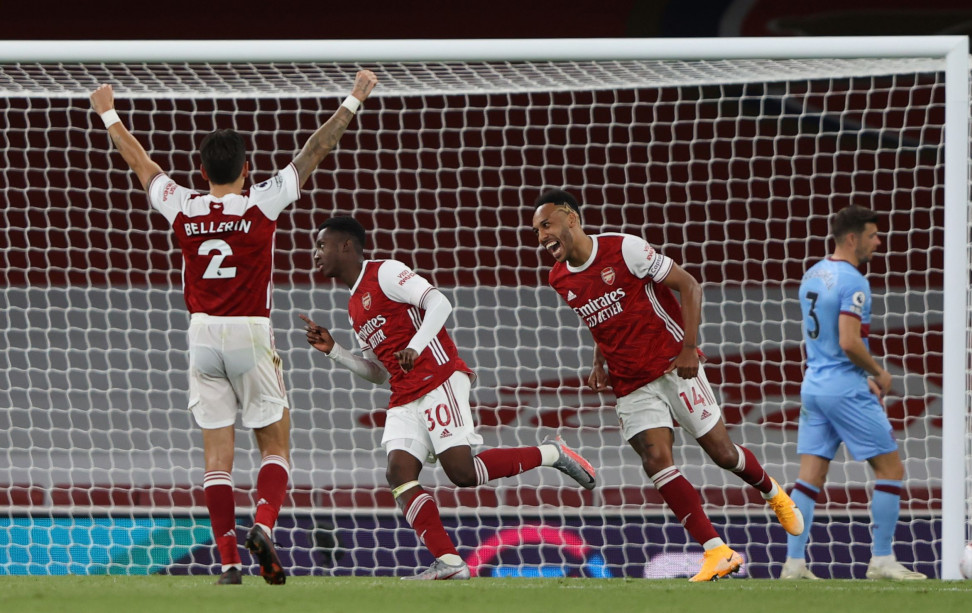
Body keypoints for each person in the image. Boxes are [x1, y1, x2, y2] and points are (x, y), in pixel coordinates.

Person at [89, 70, 379, 585]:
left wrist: (108, 111)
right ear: (248, 169)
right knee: (276, 446)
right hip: (249, 331)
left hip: (201, 335)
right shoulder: (261, 201)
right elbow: (313, 151)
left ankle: (227, 563)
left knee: (216, 458)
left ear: (201, 171)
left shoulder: (182, 204)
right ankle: (263, 524)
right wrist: (354, 99)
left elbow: (140, 161)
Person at [300, 215, 597, 581]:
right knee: (398, 472)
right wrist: (335, 351)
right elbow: (379, 372)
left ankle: (552, 453)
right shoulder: (353, 307)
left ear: (345, 246)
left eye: (320, 245)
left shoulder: (387, 273)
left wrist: (415, 345)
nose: (315, 253)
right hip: (403, 393)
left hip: (438, 377)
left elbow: (440, 303)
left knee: (461, 472)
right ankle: (450, 562)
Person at [530, 189, 804, 582]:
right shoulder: (558, 278)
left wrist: (689, 348)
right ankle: (717, 551)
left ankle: (772, 492)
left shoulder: (626, 250)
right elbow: (601, 319)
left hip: (674, 365)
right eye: (536, 231)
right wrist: (599, 361)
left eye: (546, 225)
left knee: (723, 454)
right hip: (630, 382)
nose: (541, 237)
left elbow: (689, 286)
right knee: (656, 459)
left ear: (570, 218)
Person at [782, 205, 926, 581]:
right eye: (873, 235)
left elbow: (827, 338)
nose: (878, 242)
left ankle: (794, 563)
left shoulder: (813, 274)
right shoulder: (854, 281)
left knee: (808, 478)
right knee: (890, 469)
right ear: (852, 238)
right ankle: (881, 559)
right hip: (845, 387)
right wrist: (878, 371)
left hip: (814, 385)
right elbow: (848, 341)